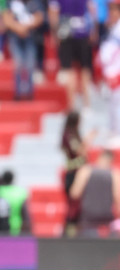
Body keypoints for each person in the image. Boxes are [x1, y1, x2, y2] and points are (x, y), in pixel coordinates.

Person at [49, 0, 94, 109]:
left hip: (66, 32)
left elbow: (53, 13)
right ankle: (86, 104)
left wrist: (54, 33)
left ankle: (72, 105)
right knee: (84, 68)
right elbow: (92, 10)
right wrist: (93, 29)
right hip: (82, 31)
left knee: (69, 69)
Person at [1, 0, 45, 100]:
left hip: (30, 37)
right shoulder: (9, 2)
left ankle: (29, 92)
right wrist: (18, 28)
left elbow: (39, 16)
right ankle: (18, 92)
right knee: (18, 64)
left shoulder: (34, 2)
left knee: (30, 64)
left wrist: (26, 26)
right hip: (14, 37)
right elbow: (6, 18)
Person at [70, 150, 120, 236]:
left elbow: (74, 193)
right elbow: (118, 198)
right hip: (106, 220)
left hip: (87, 219)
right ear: (111, 160)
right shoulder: (115, 174)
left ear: (99, 158)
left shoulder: (85, 171)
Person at [60, 110, 93, 235]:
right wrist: (88, 139)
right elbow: (80, 152)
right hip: (74, 174)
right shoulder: (70, 135)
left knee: (78, 205)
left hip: (78, 173)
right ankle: (69, 233)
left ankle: (77, 231)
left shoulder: (73, 134)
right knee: (73, 204)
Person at [99, 0, 120, 145]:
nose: (111, 13)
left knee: (117, 104)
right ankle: (114, 130)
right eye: (110, 10)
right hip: (111, 73)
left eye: (114, 10)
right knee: (112, 103)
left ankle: (118, 133)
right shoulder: (113, 27)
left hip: (117, 73)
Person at [0, 170, 33, 234]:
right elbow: (25, 212)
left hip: (0, 228)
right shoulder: (21, 192)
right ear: (13, 179)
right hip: (16, 227)